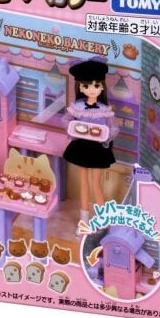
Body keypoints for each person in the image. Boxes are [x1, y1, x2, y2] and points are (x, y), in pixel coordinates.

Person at [63, 60, 118, 233]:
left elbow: (114, 128)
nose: (92, 90)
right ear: (81, 87)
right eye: (87, 86)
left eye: (96, 85)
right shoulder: (77, 107)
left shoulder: (105, 109)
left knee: (96, 184)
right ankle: (84, 221)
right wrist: (73, 130)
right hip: (82, 146)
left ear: (101, 87)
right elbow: (66, 120)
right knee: (84, 183)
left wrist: (106, 136)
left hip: (98, 149)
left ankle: (104, 221)